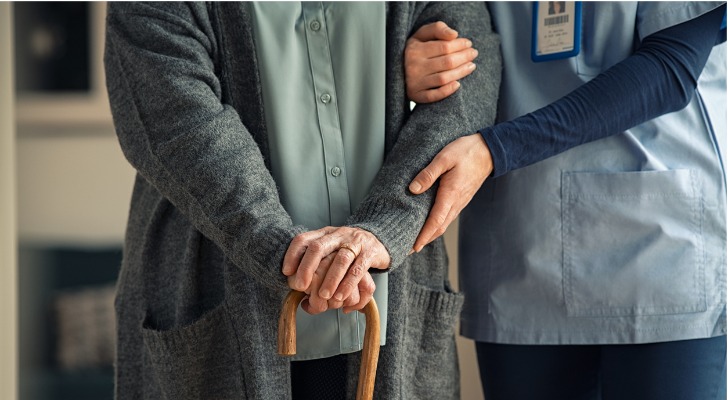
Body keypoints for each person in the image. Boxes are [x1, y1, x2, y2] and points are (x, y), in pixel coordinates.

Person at [104, 2, 499, 399]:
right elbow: (178, 123)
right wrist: (294, 254)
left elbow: (468, 90)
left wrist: (382, 231)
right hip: (218, 306)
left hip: (390, 308)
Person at [404, 2, 727, 399]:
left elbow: (671, 69)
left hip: (657, 256)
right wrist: (410, 68)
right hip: (521, 251)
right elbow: (435, 27)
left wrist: (497, 149)